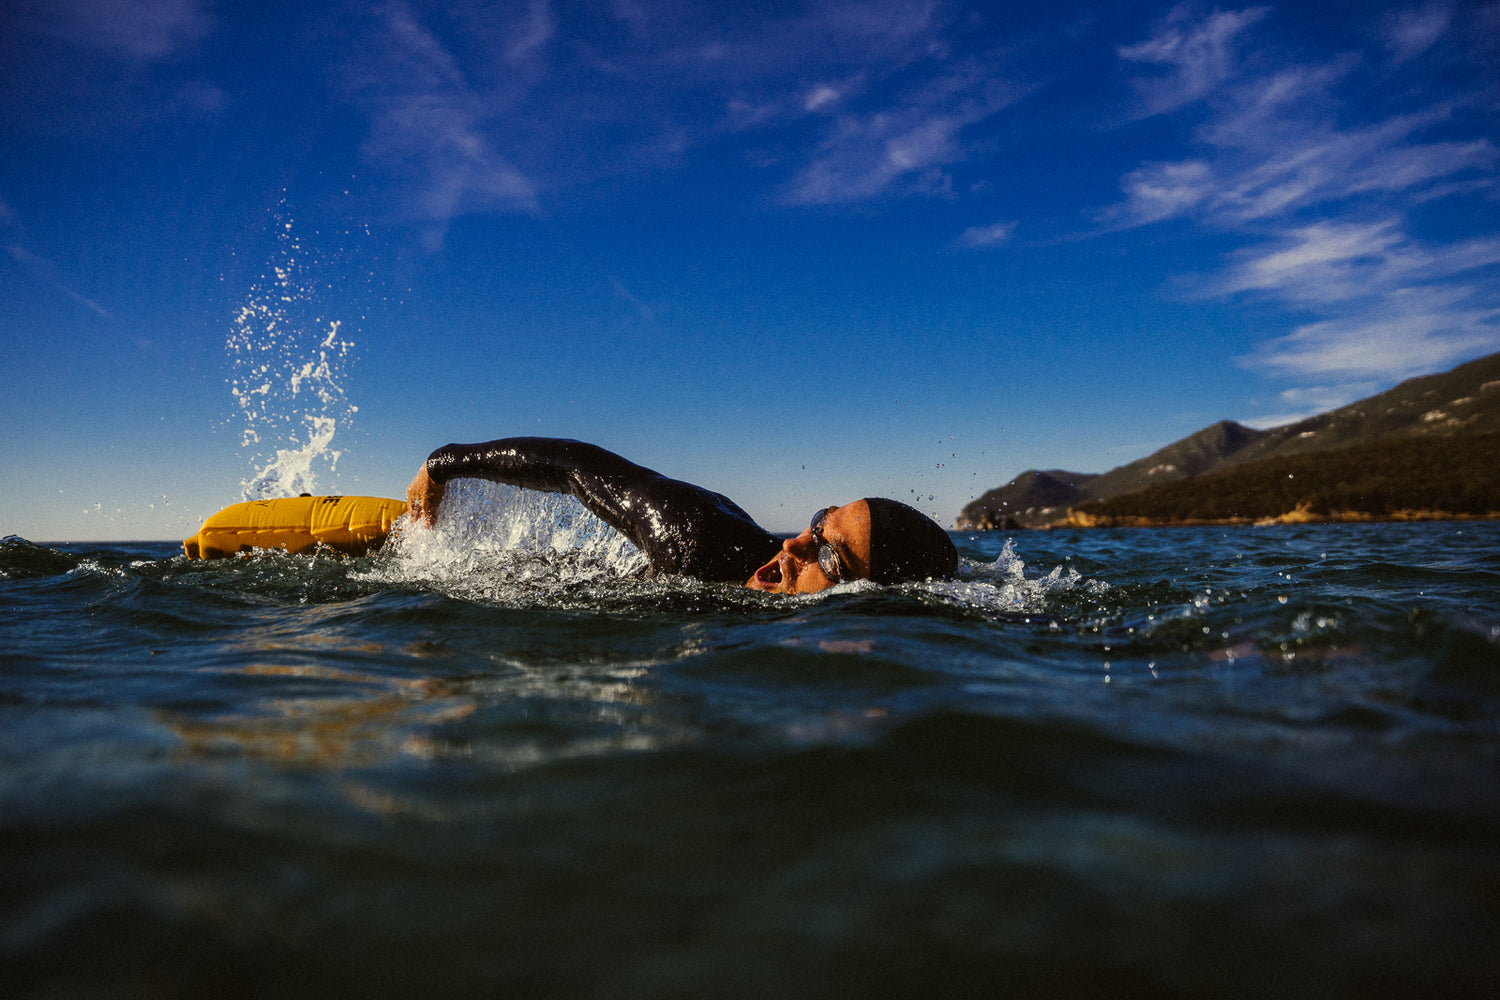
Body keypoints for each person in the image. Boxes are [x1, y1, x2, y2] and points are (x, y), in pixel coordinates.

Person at [405, 437, 958, 594]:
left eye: (832, 560)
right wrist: (441, 466)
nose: (793, 546)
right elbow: (575, 467)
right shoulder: (693, 536)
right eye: (818, 525)